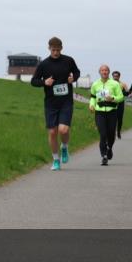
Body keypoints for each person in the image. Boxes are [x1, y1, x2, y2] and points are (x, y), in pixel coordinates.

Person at [30, 37, 81, 170]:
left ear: (61, 48)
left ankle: (64, 147)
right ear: (49, 49)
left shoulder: (68, 60)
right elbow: (33, 81)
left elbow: (77, 72)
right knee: (52, 132)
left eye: (58, 50)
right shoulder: (44, 64)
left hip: (66, 101)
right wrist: (44, 82)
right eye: (53, 50)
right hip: (51, 103)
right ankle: (56, 160)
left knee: (63, 130)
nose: (56, 53)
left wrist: (73, 78)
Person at [89, 65, 124, 166]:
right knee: (103, 134)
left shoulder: (114, 84)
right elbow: (93, 97)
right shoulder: (95, 84)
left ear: (109, 72)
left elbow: (121, 97)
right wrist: (91, 105)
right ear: (99, 72)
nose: (104, 72)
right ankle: (104, 156)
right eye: (102, 70)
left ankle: (109, 148)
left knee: (111, 134)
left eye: (106, 70)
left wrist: (112, 98)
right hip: (99, 112)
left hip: (112, 111)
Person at [112, 70, 128, 139]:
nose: (115, 77)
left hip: (120, 103)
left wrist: (121, 93)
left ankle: (118, 131)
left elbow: (127, 93)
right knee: (113, 119)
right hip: (112, 103)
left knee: (120, 119)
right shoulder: (110, 83)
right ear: (112, 76)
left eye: (117, 76)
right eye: (114, 76)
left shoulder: (123, 84)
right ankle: (113, 132)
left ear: (119, 77)